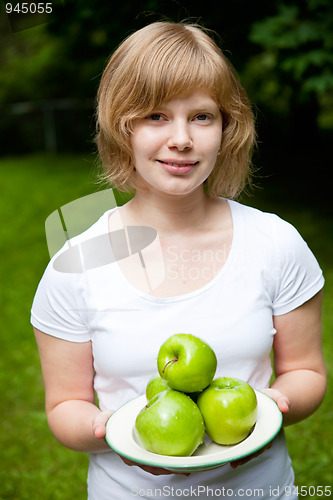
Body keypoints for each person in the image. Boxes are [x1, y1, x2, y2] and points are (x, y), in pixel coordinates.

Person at [31, 21, 326, 499]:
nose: (182, 139)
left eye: (202, 116)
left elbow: (307, 372)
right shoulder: (75, 265)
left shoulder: (276, 243)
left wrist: (270, 408)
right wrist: (117, 434)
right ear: (120, 125)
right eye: (155, 116)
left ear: (227, 126)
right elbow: (65, 406)